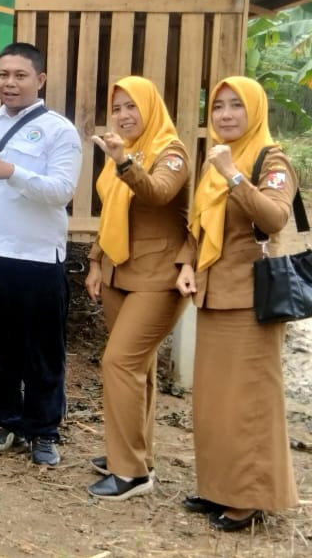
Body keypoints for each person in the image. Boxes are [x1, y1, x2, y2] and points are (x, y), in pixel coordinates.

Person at [0, 42, 81, 466]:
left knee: (41, 351)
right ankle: (5, 422)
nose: (9, 82)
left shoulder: (59, 130)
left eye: (20, 75)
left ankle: (43, 431)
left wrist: (14, 172)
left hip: (37, 258)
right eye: (3, 74)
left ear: (40, 80)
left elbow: (62, 190)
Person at [176, 76, 299, 531]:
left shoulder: (272, 159)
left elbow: (274, 217)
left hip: (251, 299)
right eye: (219, 106)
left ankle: (249, 498)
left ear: (255, 111)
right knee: (215, 401)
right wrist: (186, 264)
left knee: (248, 400)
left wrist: (234, 175)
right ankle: (218, 488)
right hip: (213, 295)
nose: (225, 114)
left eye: (236, 107)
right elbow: (200, 227)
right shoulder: (217, 162)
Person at [83, 77, 190, 500]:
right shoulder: (122, 153)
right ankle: (134, 455)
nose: (124, 116)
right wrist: (94, 260)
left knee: (120, 364)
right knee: (138, 369)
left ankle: (131, 474)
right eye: (118, 109)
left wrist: (125, 161)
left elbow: (160, 193)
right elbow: (113, 211)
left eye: (132, 107)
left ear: (151, 108)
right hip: (118, 272)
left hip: (159, 275)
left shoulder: (172, 150)